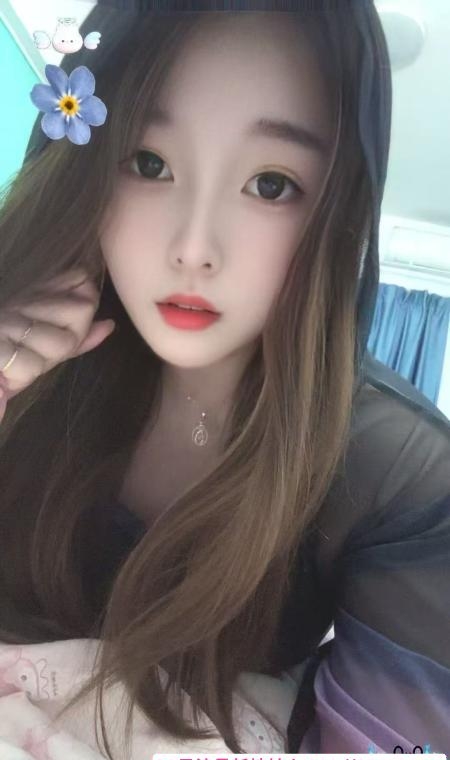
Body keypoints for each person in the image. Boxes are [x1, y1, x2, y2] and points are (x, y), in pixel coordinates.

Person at [0, 0, 449, 757]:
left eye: (271, 185)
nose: (194, 248)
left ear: (337, 211)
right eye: (149, 164)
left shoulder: (402, 477)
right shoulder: (30, 356)